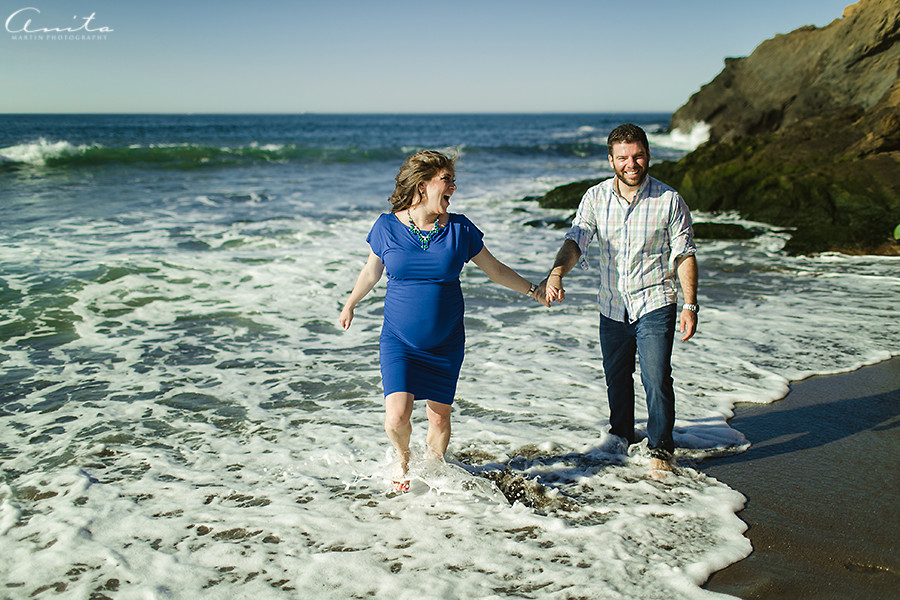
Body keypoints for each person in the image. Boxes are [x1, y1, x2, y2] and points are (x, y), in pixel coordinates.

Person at [340, 149, 538, 492]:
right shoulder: (386, 226)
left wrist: (533, 290)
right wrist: (351, 303)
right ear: (421, 184)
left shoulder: (459, 228)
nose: (454, 188)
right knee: (397, 417)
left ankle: (432, 474)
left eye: (453, 181)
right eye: (446, 180)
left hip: (446, 341)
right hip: (399, 340)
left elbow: (495, 270)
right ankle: (403, 458)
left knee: (439, 415)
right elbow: (372, 270)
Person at [536, 123, 699, 478]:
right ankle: (621, 440)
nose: (631, 163)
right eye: (623, 157)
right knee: (617, 378)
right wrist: (557, 272)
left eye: (638, 155)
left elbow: (684, 254)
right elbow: (576, 240)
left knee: (656, 378)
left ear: (648, 155)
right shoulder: (595, 198)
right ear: (611, 159)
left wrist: (689, 304)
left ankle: (660, 448)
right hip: (611, 306)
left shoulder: (669, 200)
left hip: (655, 301)